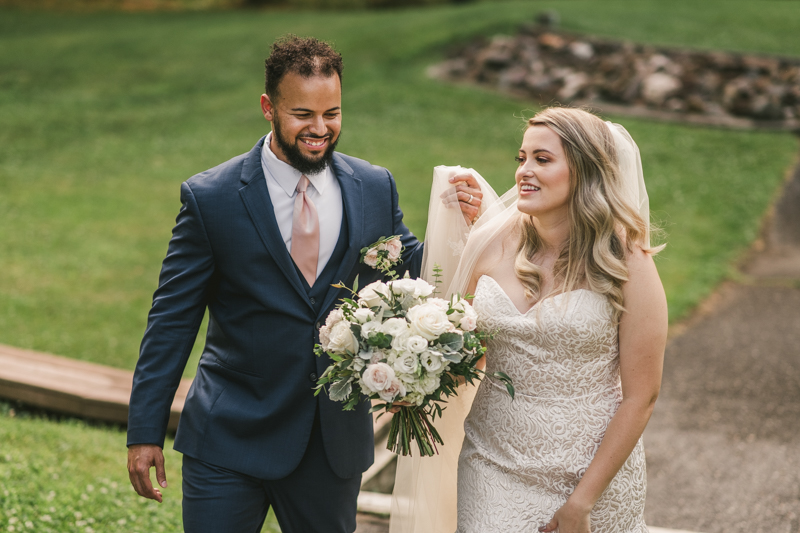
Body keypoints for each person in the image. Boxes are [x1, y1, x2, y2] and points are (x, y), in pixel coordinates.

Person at [126, 35, 481, 533]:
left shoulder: (373, 186)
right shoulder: (212, 198)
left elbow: (414, 271)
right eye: (303, 114)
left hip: (330, 440)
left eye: (332, 113)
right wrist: (143, 431)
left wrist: (463, 227)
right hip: (229, 435)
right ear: (269, 108)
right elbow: (171, 322)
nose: (320, 129)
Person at [390, 107, 667, 532]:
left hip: (594, 474)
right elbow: (466, 357)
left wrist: (583, 502)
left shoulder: (626, 261)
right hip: (493, 462)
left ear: (584, 171)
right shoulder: (489, 244)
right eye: (522, 158)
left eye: (542, 159)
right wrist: (412, 379)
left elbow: (641, 397)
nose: (524, 171)